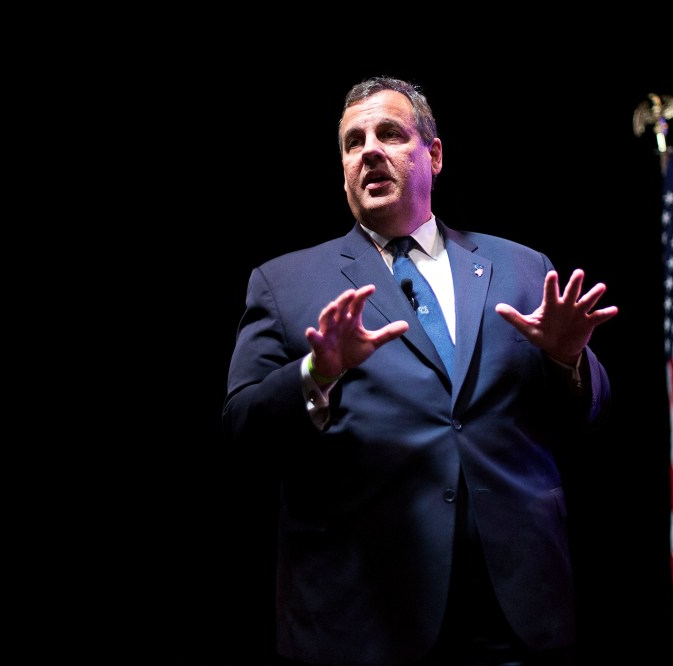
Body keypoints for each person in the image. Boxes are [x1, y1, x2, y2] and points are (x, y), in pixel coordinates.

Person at [222, 76, 619, 666]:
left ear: (433, 154)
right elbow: (241, 427)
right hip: (364, 614)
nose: (370, 151)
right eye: (353, 143)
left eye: (388, 134)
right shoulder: (285, 283)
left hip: (515, 607)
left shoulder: (519, 266)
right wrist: (316, 371)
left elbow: (585, 417)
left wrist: (568, 360)